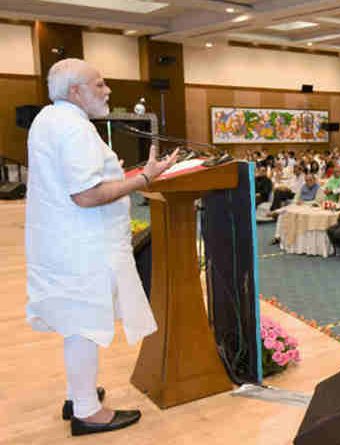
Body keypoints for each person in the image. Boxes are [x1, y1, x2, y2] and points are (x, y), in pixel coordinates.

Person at [25, 58, 179, 436]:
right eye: (100, 84)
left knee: (78, 324)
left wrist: (114, 174)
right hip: (83, 246)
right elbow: (87, 195)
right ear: (75, 91)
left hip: (62, 243)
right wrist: (143, 178)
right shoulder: (74, 129)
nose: (108, 90)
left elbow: (77, 180)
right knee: (85, 326)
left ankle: (78, 394)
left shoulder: (49, 118)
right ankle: (87, 412)